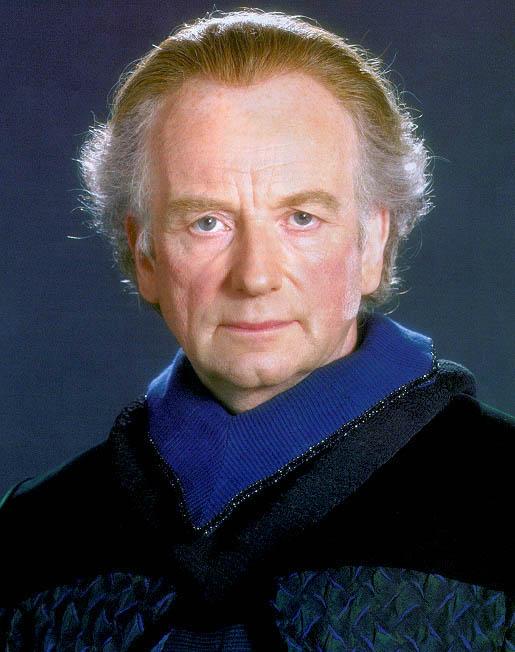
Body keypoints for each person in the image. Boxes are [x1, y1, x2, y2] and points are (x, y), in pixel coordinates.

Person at [0, 9, 513, 651]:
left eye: (301, 218)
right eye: (207, 223)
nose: (255, 276)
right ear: (144, 254)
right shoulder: (30, 536)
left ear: (373, 242)